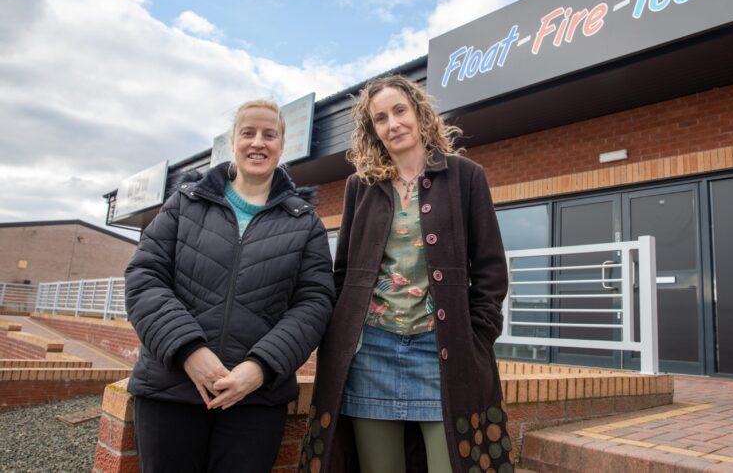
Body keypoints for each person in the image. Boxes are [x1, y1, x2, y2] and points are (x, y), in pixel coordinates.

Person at [301, 76, 514, 473]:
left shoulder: (466, 176)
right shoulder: (359, 186)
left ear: (418, 113)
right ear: (372, 130)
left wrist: (476, 338)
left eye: (399, 111)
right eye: (380, 118)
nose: (393, 123)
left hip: (442, 352)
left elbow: (490, 271)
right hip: (371, 350)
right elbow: (343, 270)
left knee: (451, 462)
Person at [125, 99, 335, 473]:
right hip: (170, 391)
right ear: (232, 142)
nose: (258, 142)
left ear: (282, 145)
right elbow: (144, 278)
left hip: (254, 402)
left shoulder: (305, 224)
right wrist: (188, 349)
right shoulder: (183, 204)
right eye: (248, 133)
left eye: (269, 135)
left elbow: (314, 304)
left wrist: (260, 367)